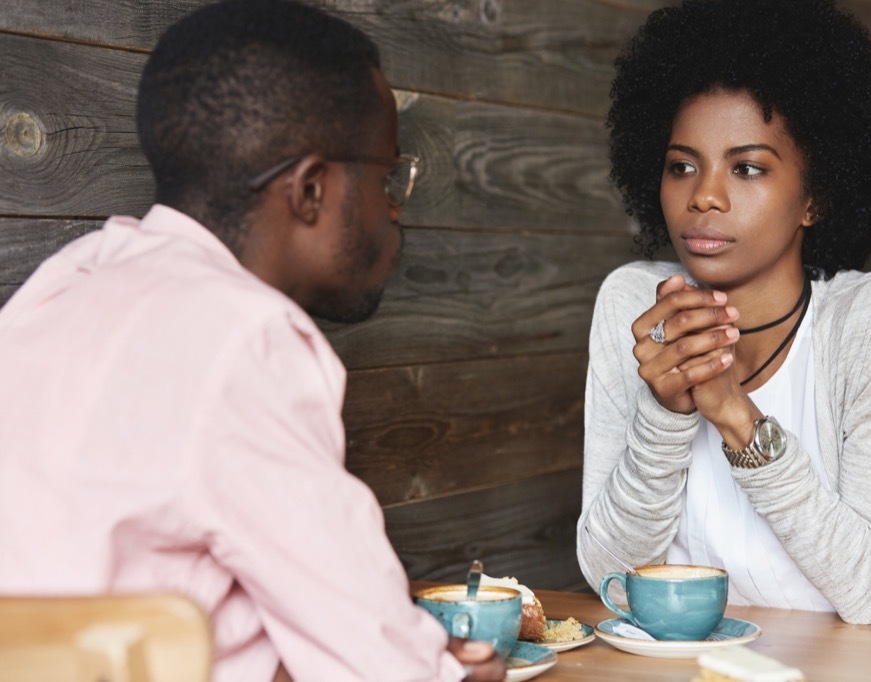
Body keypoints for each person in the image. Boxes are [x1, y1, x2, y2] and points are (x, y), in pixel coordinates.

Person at [0, 1, 504, 680]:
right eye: (387, 176)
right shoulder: (245, 337)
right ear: (310, 190)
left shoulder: (61, 286)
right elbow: (381, 663)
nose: (394, 207)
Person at [577, 0, 871, 624]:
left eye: (747, 168)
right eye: (681, 166)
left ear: (814, 197)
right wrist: (666, 415)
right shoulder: (634, 309)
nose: (705, 196)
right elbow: (609, 576)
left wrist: (736, 415)